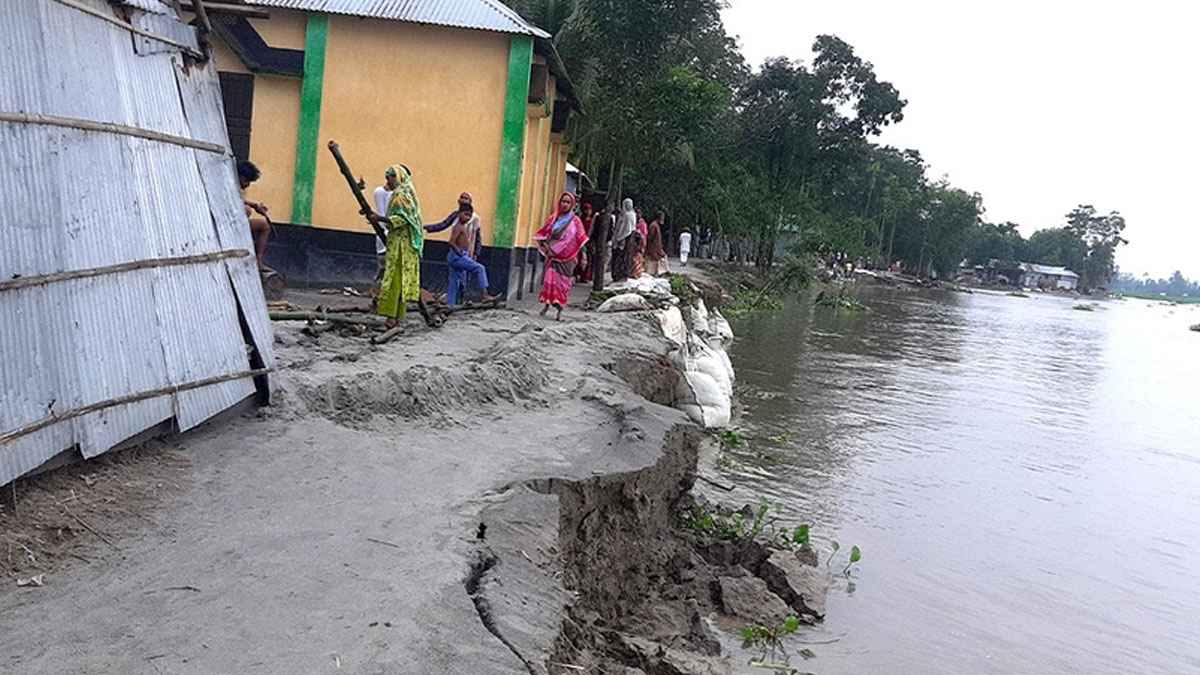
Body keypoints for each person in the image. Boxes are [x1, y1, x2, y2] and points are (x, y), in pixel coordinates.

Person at [370, 164, 424, 328]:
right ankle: (399, 316)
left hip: (400, 245)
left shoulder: (400, 195)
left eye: (390, 177)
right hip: (407, 245)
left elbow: (401, 220)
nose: (388, 181)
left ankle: (391, 317)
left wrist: (380, 219)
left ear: (398, 177)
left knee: (394, 280)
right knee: (402, 282)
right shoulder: (409, 192)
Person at [534, 192, 589, 321]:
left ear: (572, 205)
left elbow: (581, 240)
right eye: (563, 201)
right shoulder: (553, 219)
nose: (565, 204)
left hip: (568, 259)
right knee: (549, 282)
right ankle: (547, 306)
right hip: (552, 257)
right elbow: (543, 234)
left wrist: (584, 256)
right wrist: (546, 247)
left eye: (568, 202)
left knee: (562, 285)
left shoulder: (576, 221)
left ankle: (560, 310)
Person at [442, 204, 498, 305]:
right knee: (480, 268)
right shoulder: (458, 227)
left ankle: (450, 305)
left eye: (469, 216)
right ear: (459, 214)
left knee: (454, 282)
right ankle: (485, 295)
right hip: (457, 256)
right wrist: (459, 252)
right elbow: (451, 242)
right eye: (465, 214)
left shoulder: (462, 226)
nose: (467, 218)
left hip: (456, 256)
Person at [426, 192, 482, 260]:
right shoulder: (456, 215)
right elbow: (443, 225)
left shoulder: (475, 219)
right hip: (455, 251)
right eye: (462, 197)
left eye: (466, 198)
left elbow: (478, 238)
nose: (463, 200)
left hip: (469, 252)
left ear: (470, 201)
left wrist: (476, 253)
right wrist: (427, 228)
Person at [237, 161, 271, 269]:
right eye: (246, 180)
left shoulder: (239, 188)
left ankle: (258, 259)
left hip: (240, 222)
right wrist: (250, 207)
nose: (247, 185)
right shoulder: (231, 185)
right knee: (247, 211)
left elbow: (241, 201)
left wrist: (255, 206)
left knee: (264, 225)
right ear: (240, 176)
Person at [372, 167, 399, 288]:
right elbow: (382, 213)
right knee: (383, 264)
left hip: (390, 229)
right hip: (385, 229)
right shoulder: (380, 192)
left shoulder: (397, 194)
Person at [611, 198, 636, 281]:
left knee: (620, 258)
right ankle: (623, 274)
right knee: (626, 258)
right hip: (629, 239)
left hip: (624, 239)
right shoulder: (632, 214)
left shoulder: (627, 215)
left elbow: (624, 229)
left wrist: (618, 238)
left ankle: (618, 275)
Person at [576, 201, 596, 283]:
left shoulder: (592, 220)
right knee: (580, 258)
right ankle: (578, 274)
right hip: (580, 240)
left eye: (589, 210)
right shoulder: (580, 220)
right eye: (586, 210)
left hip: (588, 241)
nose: (588, 212)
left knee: (588, 259)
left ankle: (585, 276)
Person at [645, 211, 667, 276]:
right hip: (653, 248)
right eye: (662, 217)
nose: (663, 219)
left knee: (658, 261)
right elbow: (650, 237)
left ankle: (656, 273)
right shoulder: (654, 225)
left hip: (656, 247)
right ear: (659, 217)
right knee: (653, 262)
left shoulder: (656, 225)